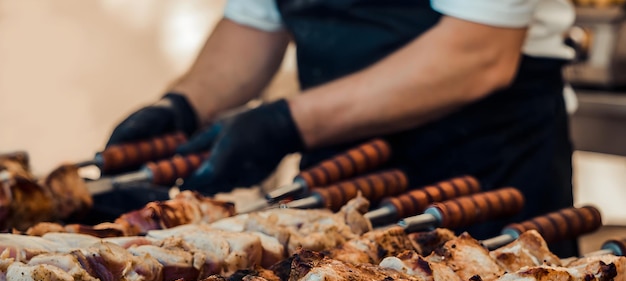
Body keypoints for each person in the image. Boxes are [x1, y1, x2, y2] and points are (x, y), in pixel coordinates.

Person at [105, 0, 579, 258]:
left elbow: (477, 54)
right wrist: (185, 105)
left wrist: (285, 122)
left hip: (481, 166)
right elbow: (254, 24)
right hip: (341, 172)